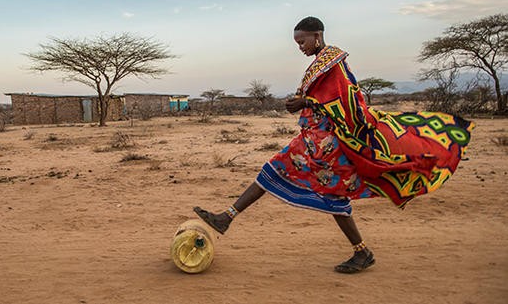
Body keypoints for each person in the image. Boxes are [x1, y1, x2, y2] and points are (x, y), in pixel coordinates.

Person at [194, 16, 474, 274]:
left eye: (302, 41)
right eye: (297, 43)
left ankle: (361, 252)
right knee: (284, 173)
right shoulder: (323, 63)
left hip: (330, 143)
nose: (300, 47)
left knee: (322, 191)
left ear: (317, 35)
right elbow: (326, 99)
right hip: (316, 139)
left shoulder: (334, 63)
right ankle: (227, 217)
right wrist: (305, 104)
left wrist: (306, 102)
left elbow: (350, 102)